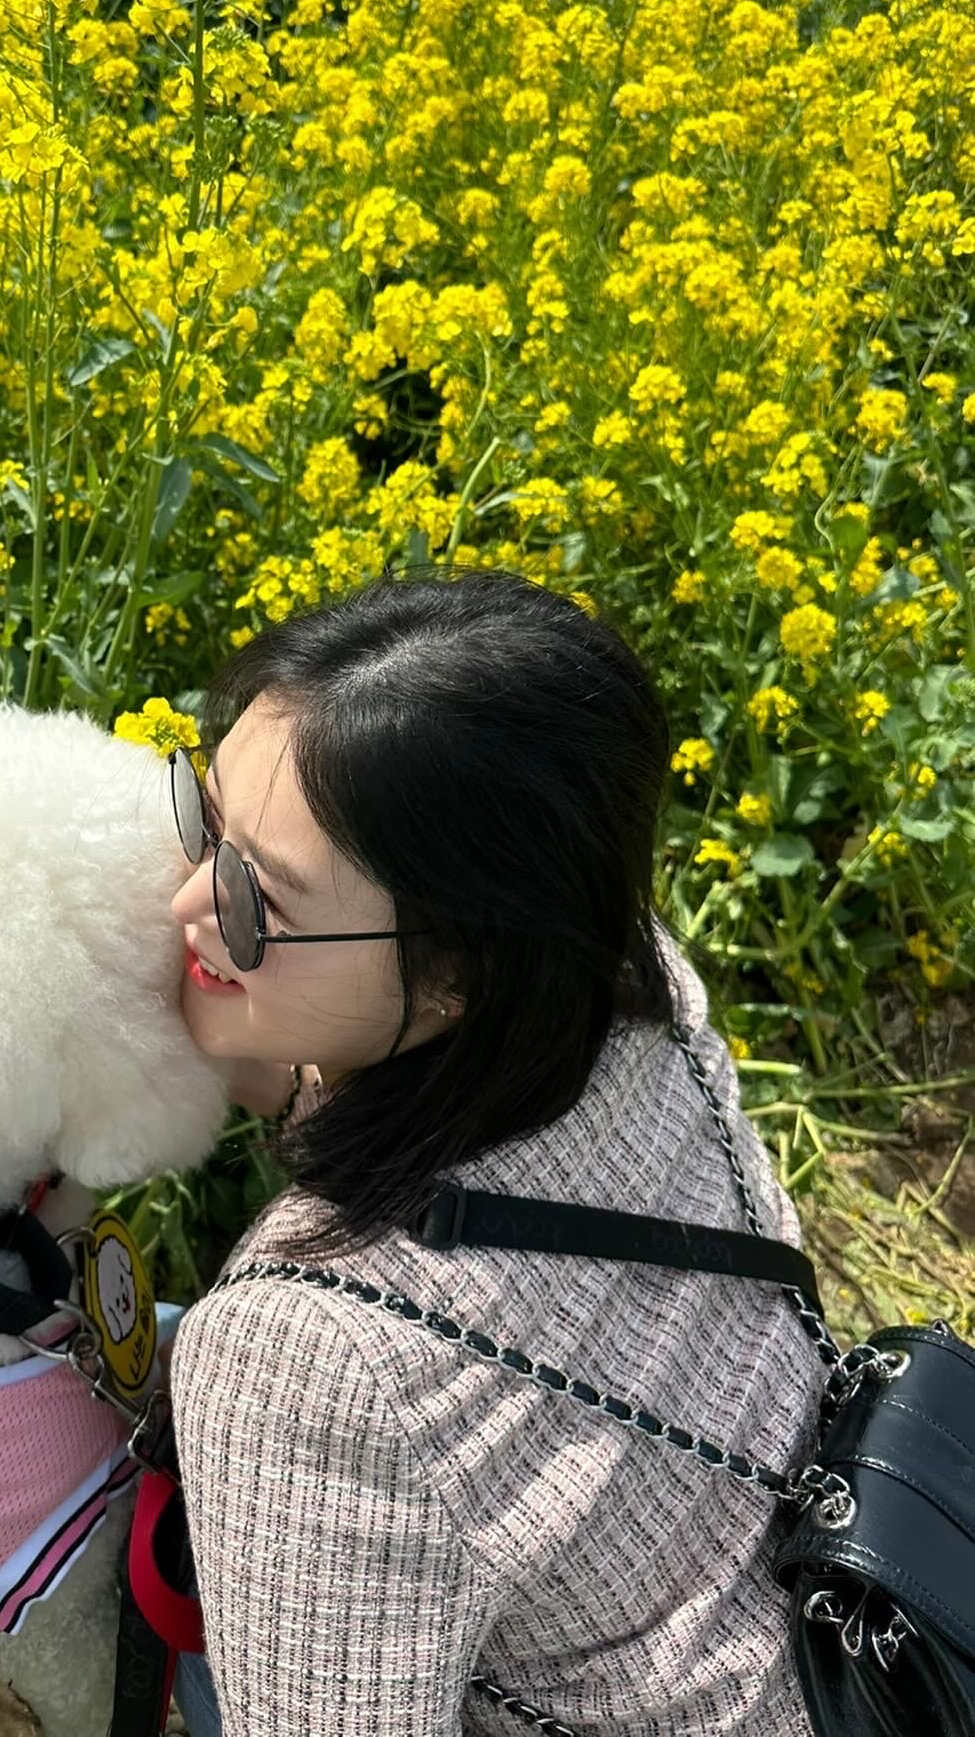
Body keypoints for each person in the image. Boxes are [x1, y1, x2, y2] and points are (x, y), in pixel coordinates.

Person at [162, 568, 825, 1736]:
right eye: (200, 819)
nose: (185, 908)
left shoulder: (308, 1353)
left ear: (457, 975)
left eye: (258, 905)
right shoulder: (630, 986)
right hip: (827, 1638)